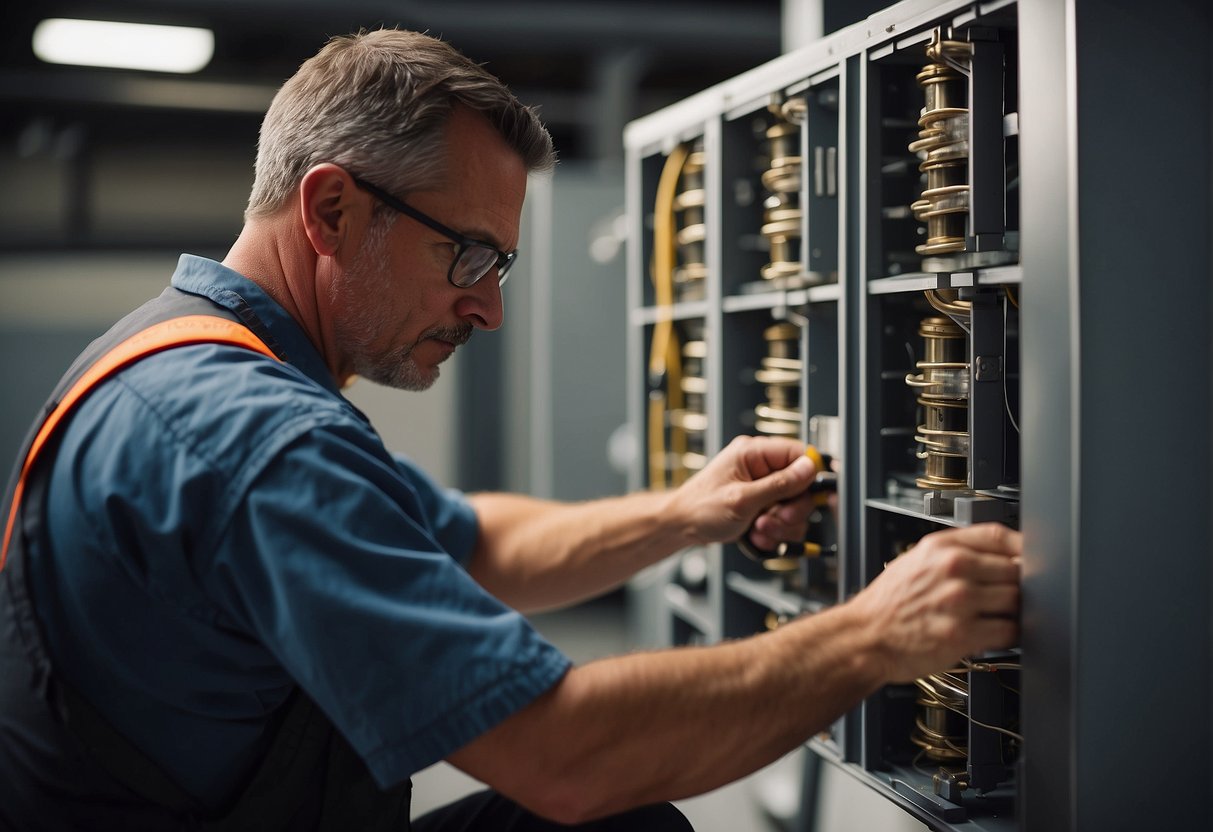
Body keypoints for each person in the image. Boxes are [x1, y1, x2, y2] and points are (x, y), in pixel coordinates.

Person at [0, 27, 1021, 832]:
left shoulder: (181, 360)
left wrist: (681, 514)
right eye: (470, 258)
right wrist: (874, 635)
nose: (487, 309)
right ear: (332, 212)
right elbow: (565, 756)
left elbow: (472, 544)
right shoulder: (251, 439)